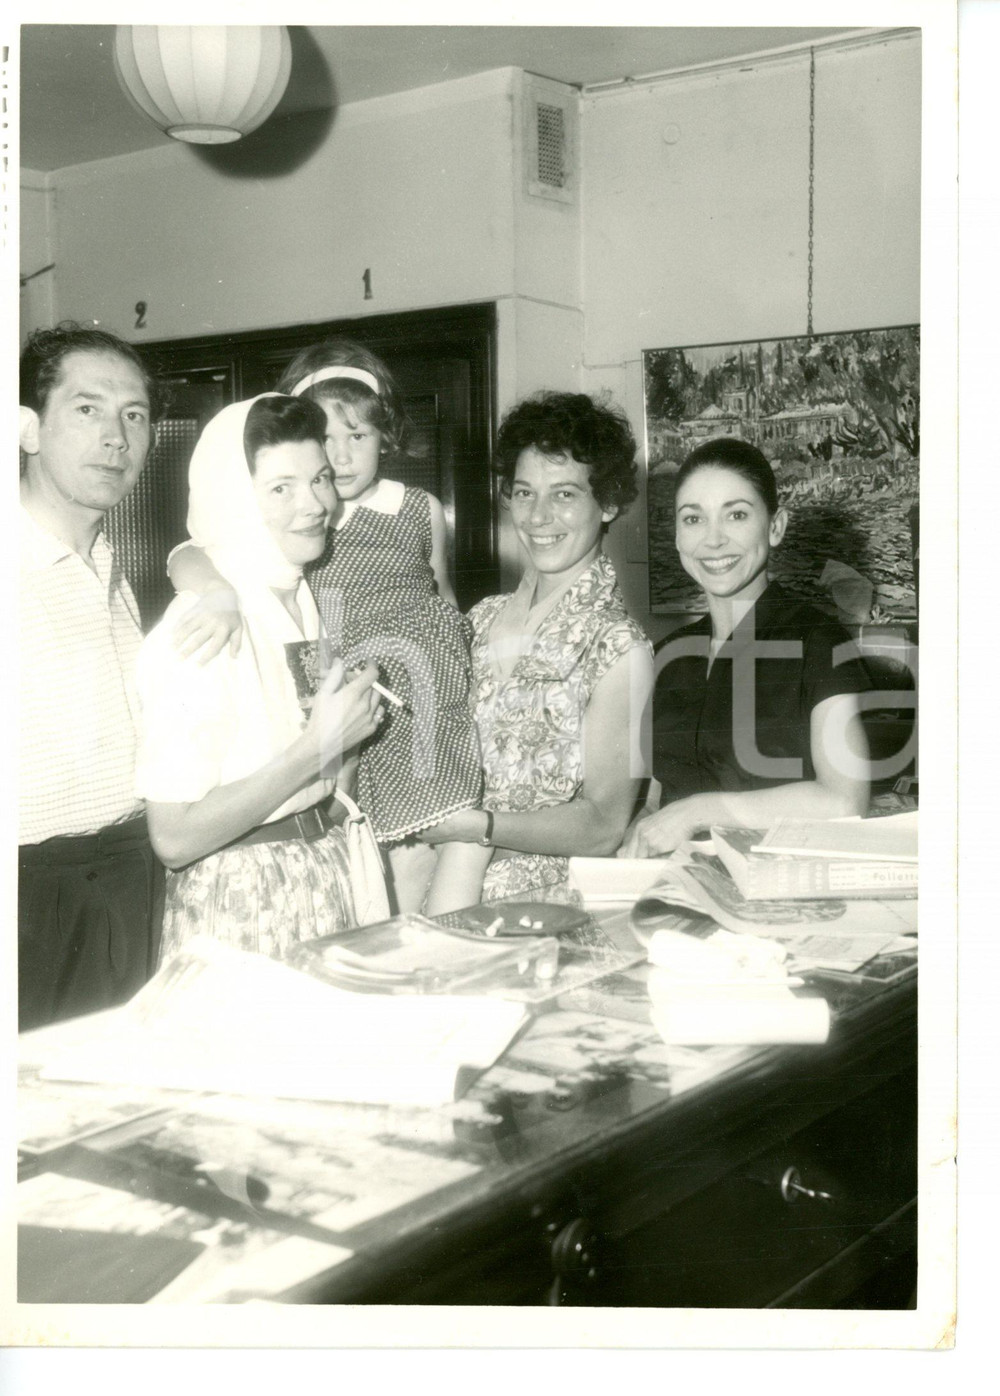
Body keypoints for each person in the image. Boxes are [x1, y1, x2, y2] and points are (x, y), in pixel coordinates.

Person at [168, 340, 485, 916]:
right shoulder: (301, 519)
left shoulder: (414, 507)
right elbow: (190, 551)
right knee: (369, 842)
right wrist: (214, 591)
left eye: (357, 436)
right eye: (324, 443)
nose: (337, 461)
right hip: (345, 691)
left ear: (385, 434)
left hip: (425, 689)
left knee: (437, 839)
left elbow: (443, 593)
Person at [134, 394, 383, 961]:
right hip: (243, 904)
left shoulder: (297, 595)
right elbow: (173, 839)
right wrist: (320, 746)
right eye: (281, 488)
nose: (315, 504)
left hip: (318, 874)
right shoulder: (201, 626)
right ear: (233, 501)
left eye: (320, 479)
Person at [418, 391, 654, 898]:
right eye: (524, 493)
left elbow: (605, 824)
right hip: (437, 883)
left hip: (544, 906)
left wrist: (477, 830)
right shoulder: (478, 622)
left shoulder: (618, 648)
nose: (538, 517)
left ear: (608, 502)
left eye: (565, 495)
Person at [621, 437, 871, 857]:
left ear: (776, 527)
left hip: (779, 888)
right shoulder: (668, 655)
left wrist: (699, 811)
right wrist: (641, 829)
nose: (713, 540)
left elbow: (844, 801)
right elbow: (656, 796)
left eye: (736, 515)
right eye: (693, 519)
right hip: (675, 886)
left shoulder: (819, 641)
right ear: (678, 536)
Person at [18, 323, 165, 1031]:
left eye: (133, 415)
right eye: (87, 408)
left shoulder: (110, 568)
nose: (116, 436)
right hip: (30, 898)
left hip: (127, 881)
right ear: (26, 430)